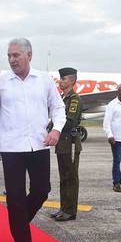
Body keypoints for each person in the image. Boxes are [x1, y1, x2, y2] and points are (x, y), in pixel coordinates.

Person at [0, 38, 65, 242]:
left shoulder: (44, 80)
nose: (12, 60)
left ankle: (18, 221)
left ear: (29, 56)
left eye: (16, 55)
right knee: (14, 197)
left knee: (42, 190)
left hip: (39, 144)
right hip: (11, 147)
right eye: (9, 56)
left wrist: (57, 130)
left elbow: (58, 107)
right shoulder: (0, 83)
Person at [50, 67, 82, 222]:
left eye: (63, 79)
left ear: (71, 81)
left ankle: (70, 211)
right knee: (63, 177)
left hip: (69, 142)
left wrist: (55, 126)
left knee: (71, 177)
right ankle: (63, 208)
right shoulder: (64, 99)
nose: (60, 81)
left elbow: (70, 121)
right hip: (62, 143)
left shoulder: (74, 99)